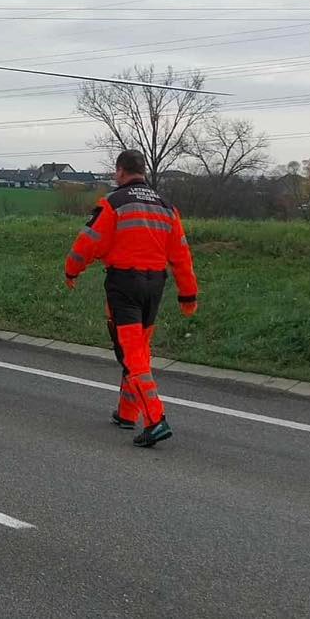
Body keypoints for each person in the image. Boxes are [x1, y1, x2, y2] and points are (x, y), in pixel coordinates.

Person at [64, 148, 198, 447]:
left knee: (131, 354)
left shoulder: (114, 203)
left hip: (124, 285)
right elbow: (181, 256)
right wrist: (188, 295)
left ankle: (155, 419)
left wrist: (71, 270)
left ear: (120, 171)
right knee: (139, 348)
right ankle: (127, 413)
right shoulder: (167, 207)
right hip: (155, 285)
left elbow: (88, 242)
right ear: (144, 171)